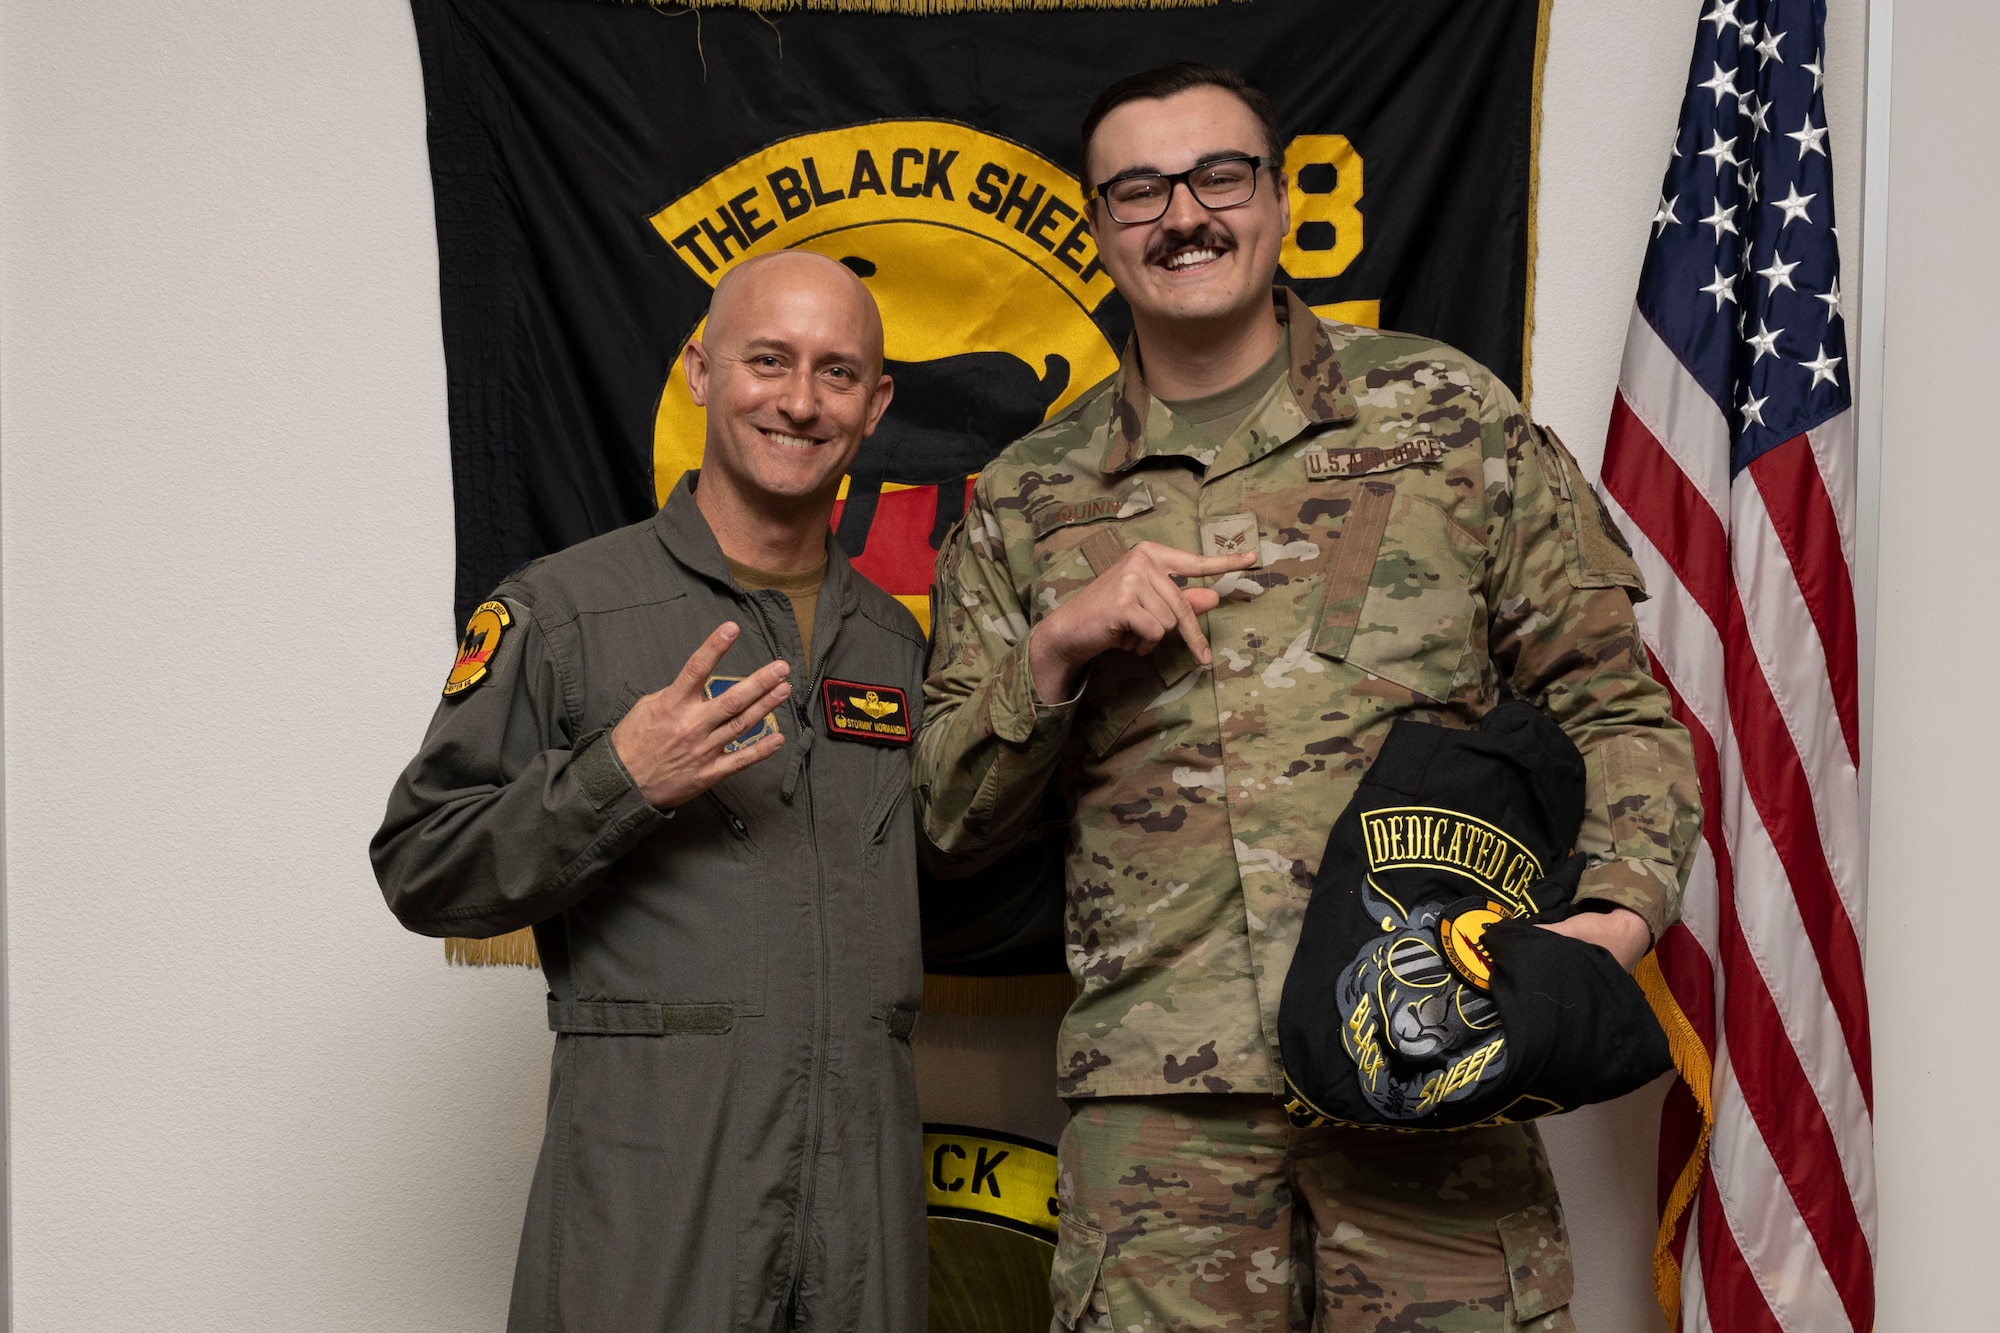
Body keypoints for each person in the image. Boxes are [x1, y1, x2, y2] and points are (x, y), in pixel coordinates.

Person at [913, 63, 1701, 1332]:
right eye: (1139, 190)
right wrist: (1053, 649)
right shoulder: (1027, 494)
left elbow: (1611, 707)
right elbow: (947, 821)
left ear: (1278, 200)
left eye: (1219, 175)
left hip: (1436, 1057)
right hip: (1158, 1118)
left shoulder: (1445, 417)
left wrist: (1605, 925)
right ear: (1101, 227)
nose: (1184, 214)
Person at [373, 250, 928, 1333]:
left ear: (875, 405)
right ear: (699, 371)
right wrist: (616, 778)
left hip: (860, 1201)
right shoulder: (567, 610)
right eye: (767, 360)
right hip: (654, 1190)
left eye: (835, 372)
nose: (799, 401)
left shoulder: (896, 641)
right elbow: (419, 865)